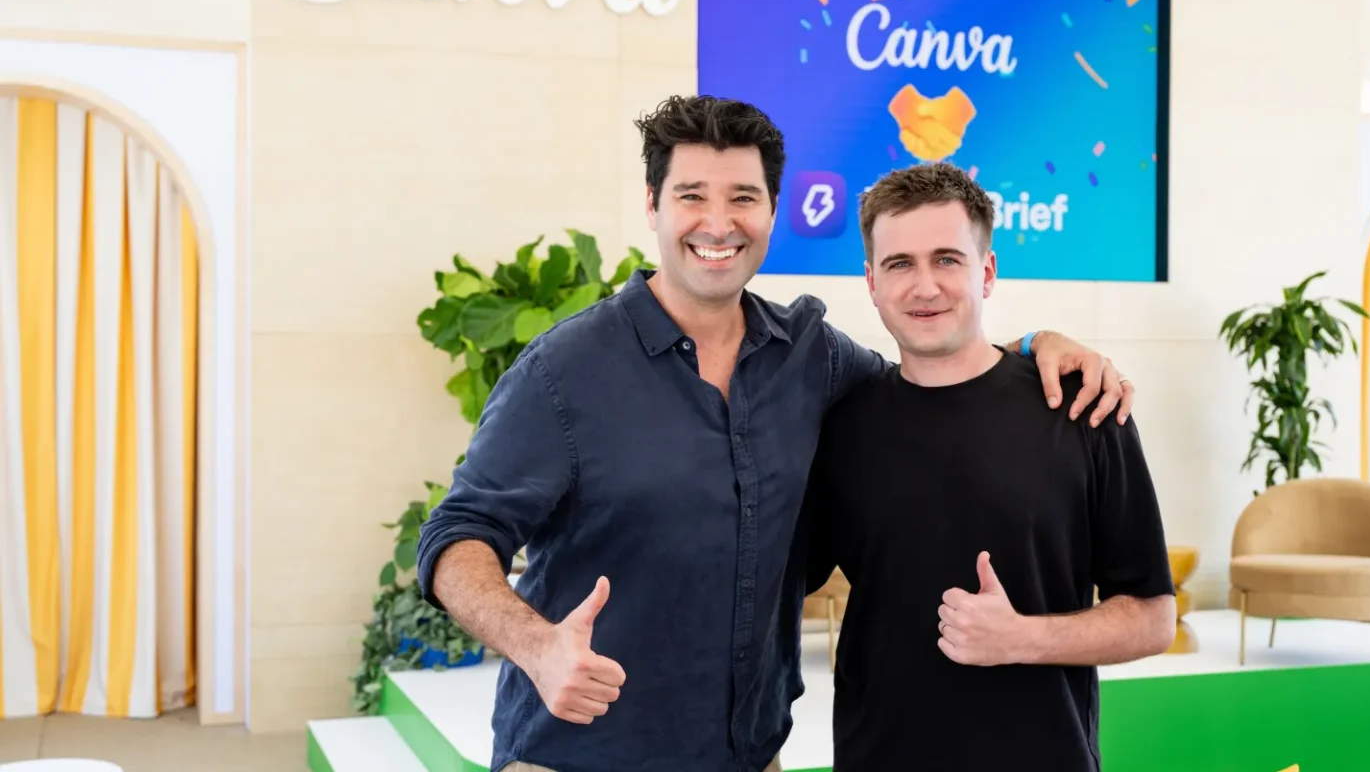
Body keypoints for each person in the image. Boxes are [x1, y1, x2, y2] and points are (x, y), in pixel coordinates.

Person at [415, 94, 1137, 772]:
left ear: (770, 211)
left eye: (742, 197)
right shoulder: (563, 370)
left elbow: (934, 374)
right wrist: (536, 646)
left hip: (752, 756)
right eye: (691, 196)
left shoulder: (812, 356)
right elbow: (456, 534)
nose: (717, 223)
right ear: (652, 205)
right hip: (582, 756)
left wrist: (1034, 346)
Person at [798, 161, 1176, 771]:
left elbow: (1154, 619)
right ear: (871, 280)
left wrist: (1022, 638)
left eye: (947, 259)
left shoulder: (1082, 407)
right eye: (900, 264)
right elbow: (776, 577)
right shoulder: (839, 425)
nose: (925, 286)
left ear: (988, 272)